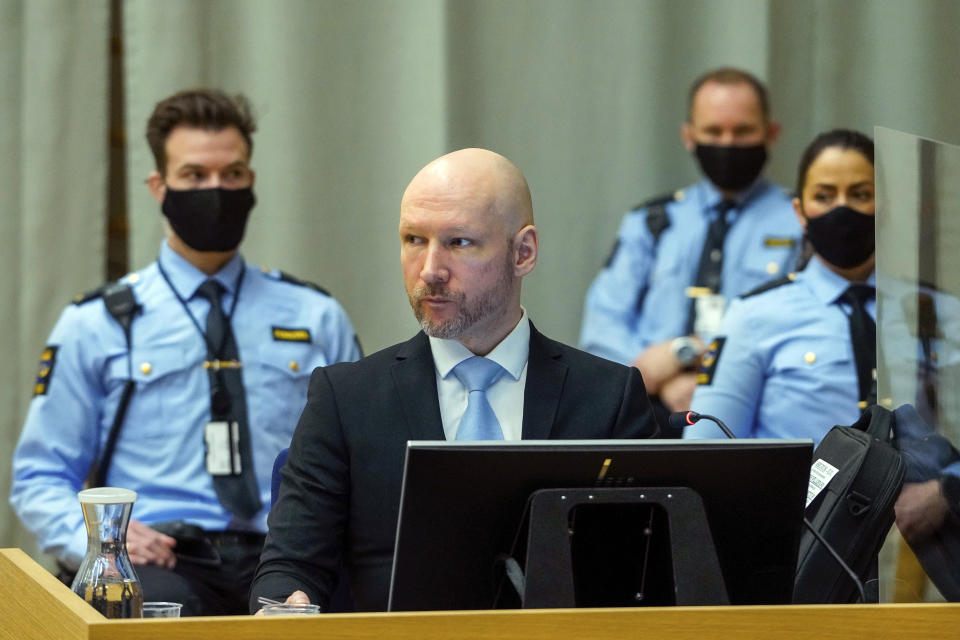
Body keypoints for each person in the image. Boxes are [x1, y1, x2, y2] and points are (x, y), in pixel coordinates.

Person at [250, 148, 659, 612]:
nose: (429, 270)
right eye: (413, 240)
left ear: (523, 252)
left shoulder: (609, 397)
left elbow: (645, 571)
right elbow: (290, 565)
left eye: (459, 242)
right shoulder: (345, 399)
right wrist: (290, 603)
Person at [9, 88, 362, 616]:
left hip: (286, 552)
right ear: (159, 186)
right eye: (195, 176)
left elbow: (358, 459)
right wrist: (103, 544)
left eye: (233, 174)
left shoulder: (315, 316)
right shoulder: (96, 323)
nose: (216, 189)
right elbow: (40, 477)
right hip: (161, 560)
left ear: (251, 181)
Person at [579, 68, 802, 433]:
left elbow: (806, 329)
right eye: (714, 131)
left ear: (771, 133)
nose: (727, 143)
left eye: (743, 131)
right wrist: (659, 378)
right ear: (689, 136)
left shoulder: (801, 222)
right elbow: (602, 330)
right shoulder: (652, 221)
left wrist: (698, 362)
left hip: (755, 417)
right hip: (645, 414)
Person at [684, 129, 876, 443]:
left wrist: (943, 488)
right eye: (824, 196)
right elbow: (706, 450)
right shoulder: (752, 316)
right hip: (796, 492)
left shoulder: (934, 311)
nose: (842, 209)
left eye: (861, 194)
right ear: (800, 213)